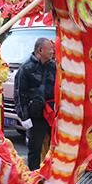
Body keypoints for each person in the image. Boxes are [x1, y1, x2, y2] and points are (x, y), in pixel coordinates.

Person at [15, 38, 56, 170]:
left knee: (55, 147)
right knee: (35, 149)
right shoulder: (26, 69)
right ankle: (33, 178)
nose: (53, 51)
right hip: (35, 115)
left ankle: (51, 175)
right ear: (40, 50)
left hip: (52, 113)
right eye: (50, 48)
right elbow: (19, 94)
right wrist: (24, 117)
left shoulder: (53, 66)